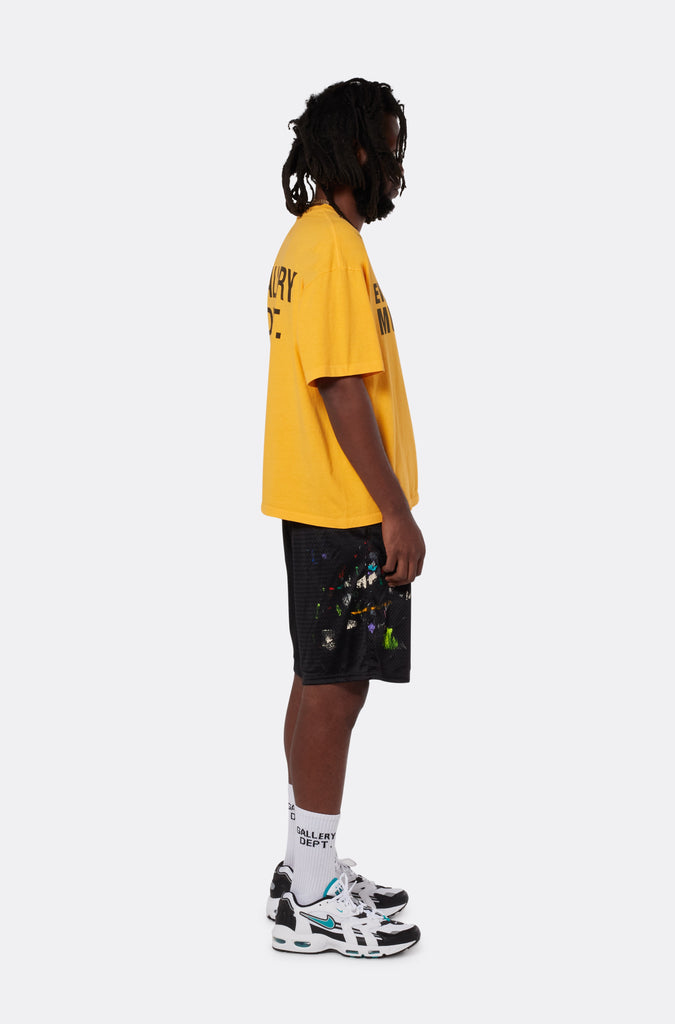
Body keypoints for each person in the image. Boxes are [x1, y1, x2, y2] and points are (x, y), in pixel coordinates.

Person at [262, 78, 425, 958]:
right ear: (356, 149)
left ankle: (304, 867)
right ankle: (317, 900)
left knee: (315, 680)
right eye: (389, 143)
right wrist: (393, 512)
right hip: (344, 507)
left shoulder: (313, 240)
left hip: (318, 500)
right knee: (335, 690)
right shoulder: (328, 246)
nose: (397, 160)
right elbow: (339, 389)